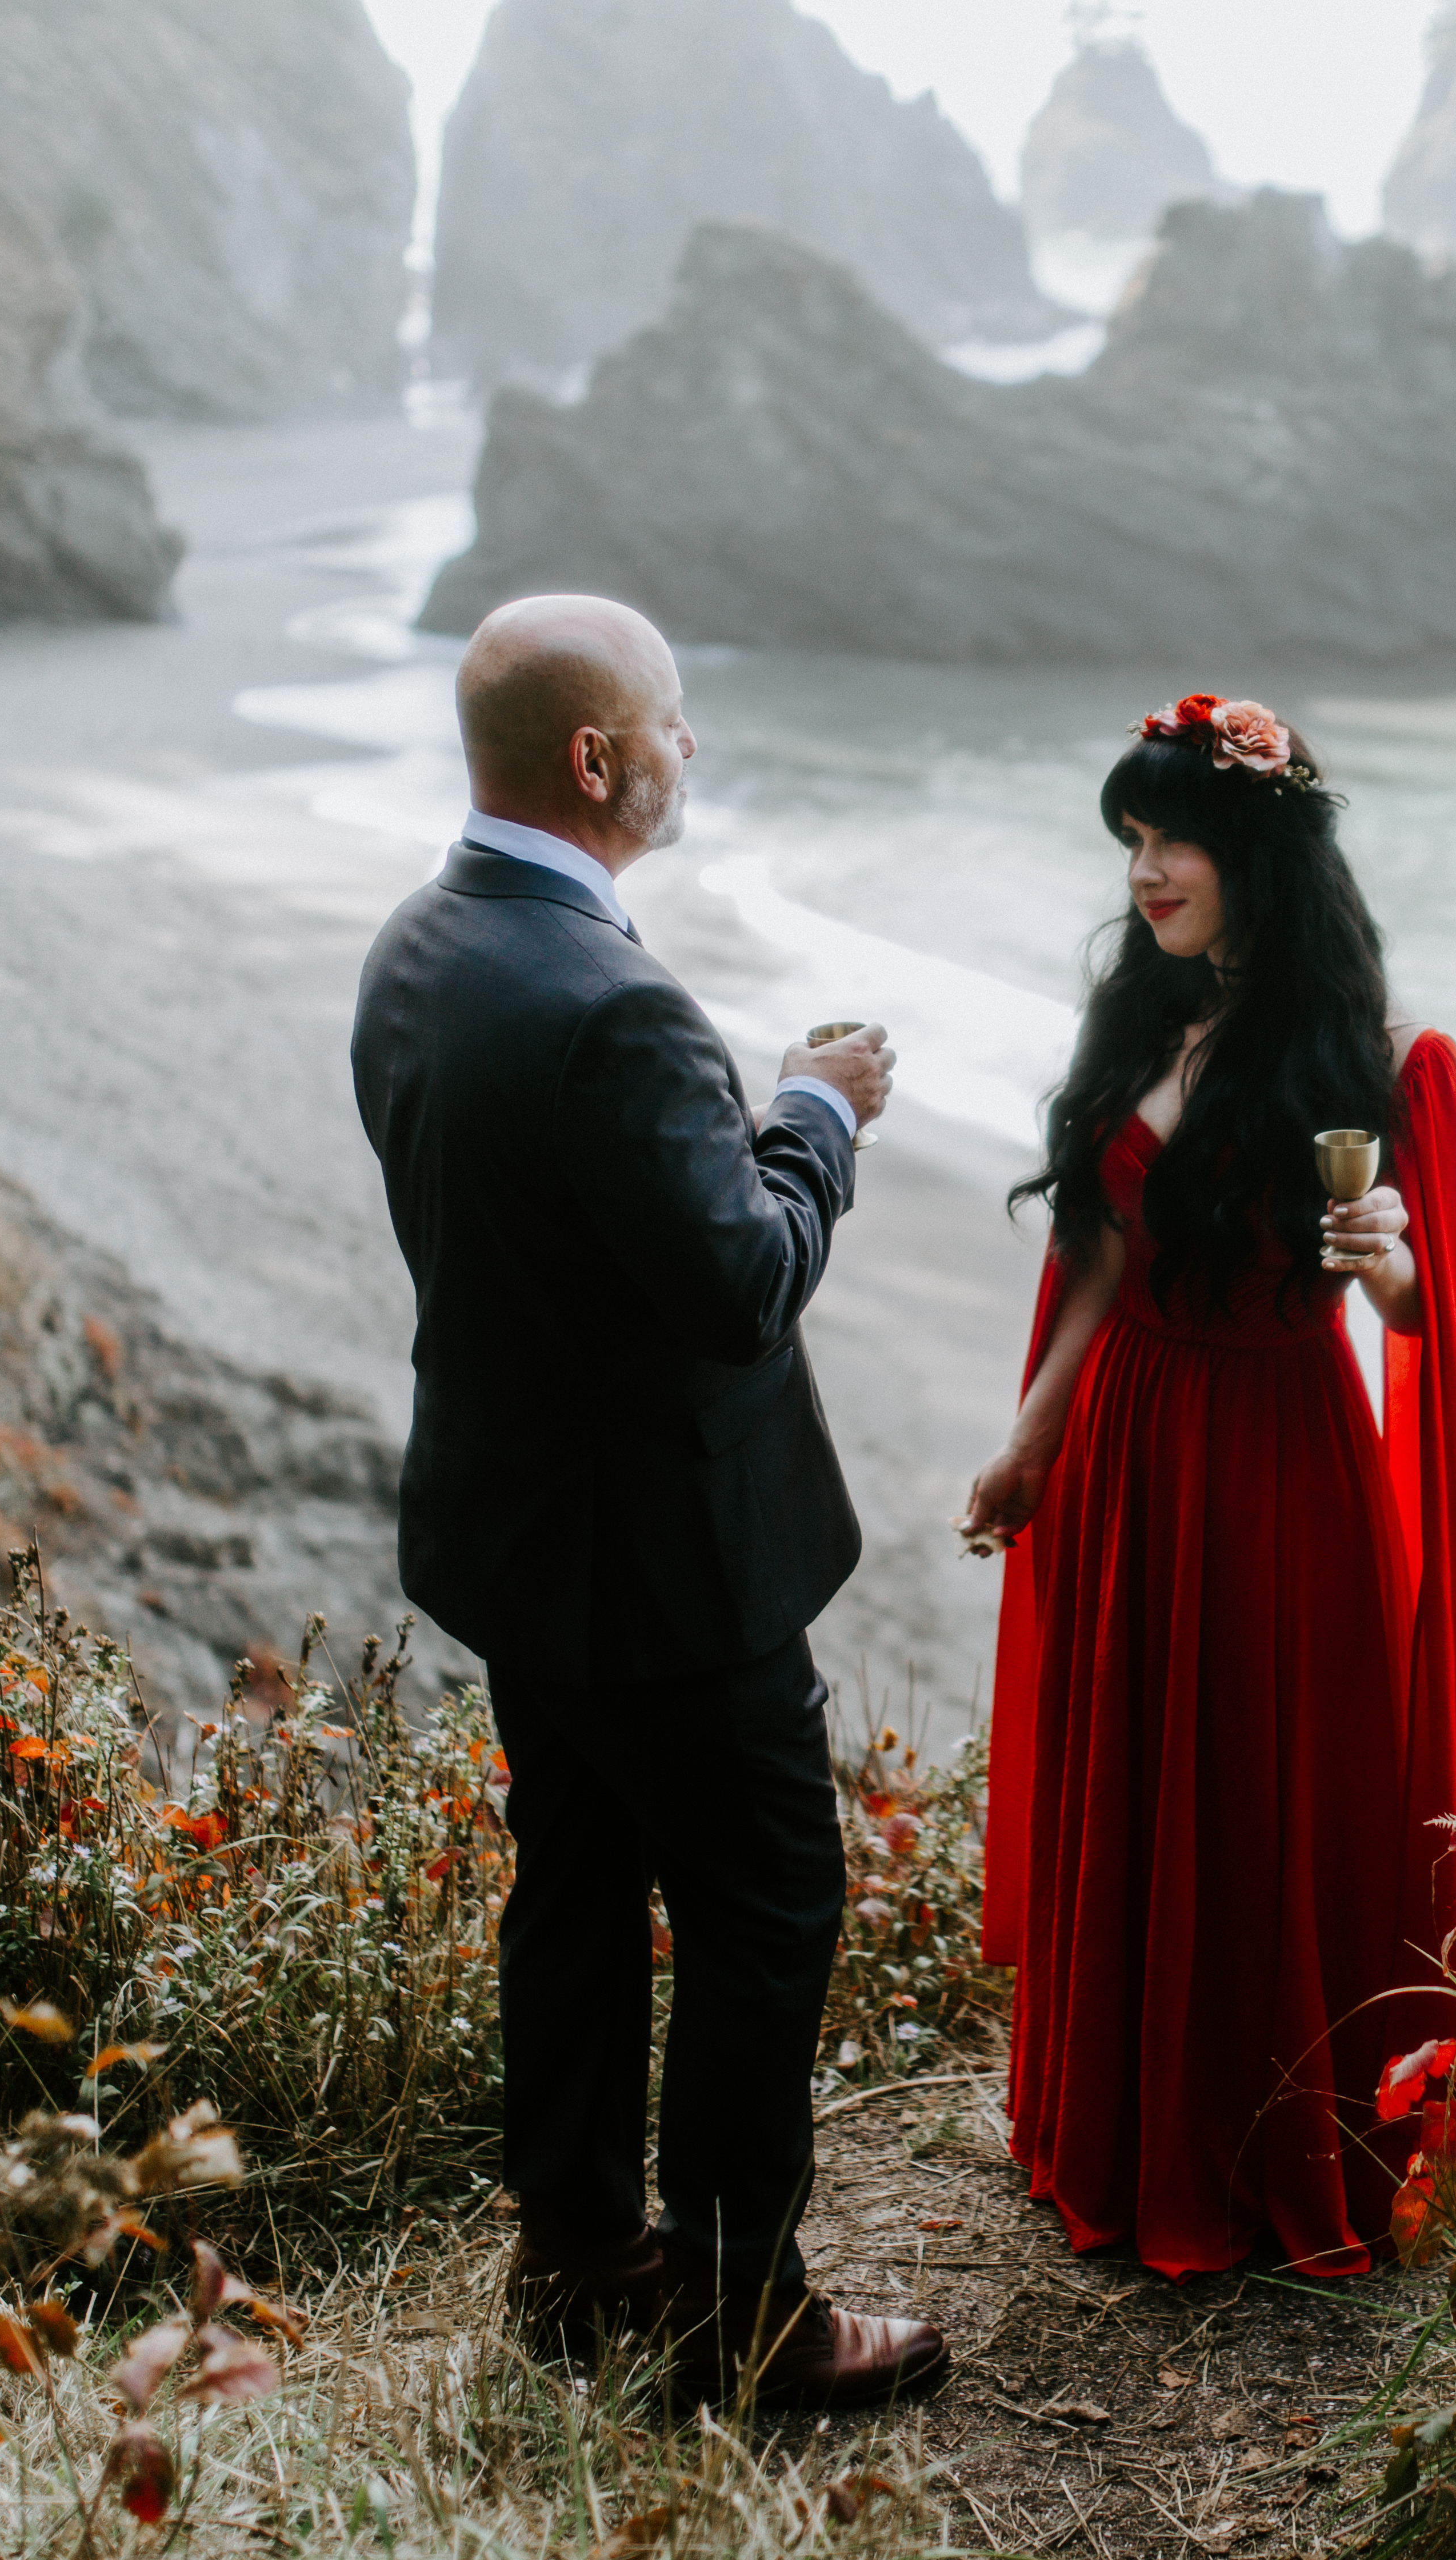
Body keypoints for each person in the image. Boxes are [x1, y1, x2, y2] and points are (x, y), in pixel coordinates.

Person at [349, 594, 946, 2406]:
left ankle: (579, 2246)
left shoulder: (416, 944)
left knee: (582, 1890)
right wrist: (813, 1114)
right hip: (674, 1573)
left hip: (522, 1540)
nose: (693, 750)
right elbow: (743, 1285)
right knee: (767, 1912)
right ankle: (744, 2317)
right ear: (600, 760)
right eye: (675, 725)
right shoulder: (616, 1007)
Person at [962, 692, 1456, 2277]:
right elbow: (1104, 1257)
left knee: (1268, 1793)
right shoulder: (1146, 1016)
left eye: (1172, 837)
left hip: (1282, 1460)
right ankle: (1132, 2130)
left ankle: (1272, 2137)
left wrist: (1396, 1264)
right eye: (1131, 841)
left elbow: (1427, 1326)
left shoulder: (1391, 1061)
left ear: (1260, 848)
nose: (1145, 872)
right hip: (1136, 1446)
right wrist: (1033, 1442)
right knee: (1137, 1775)